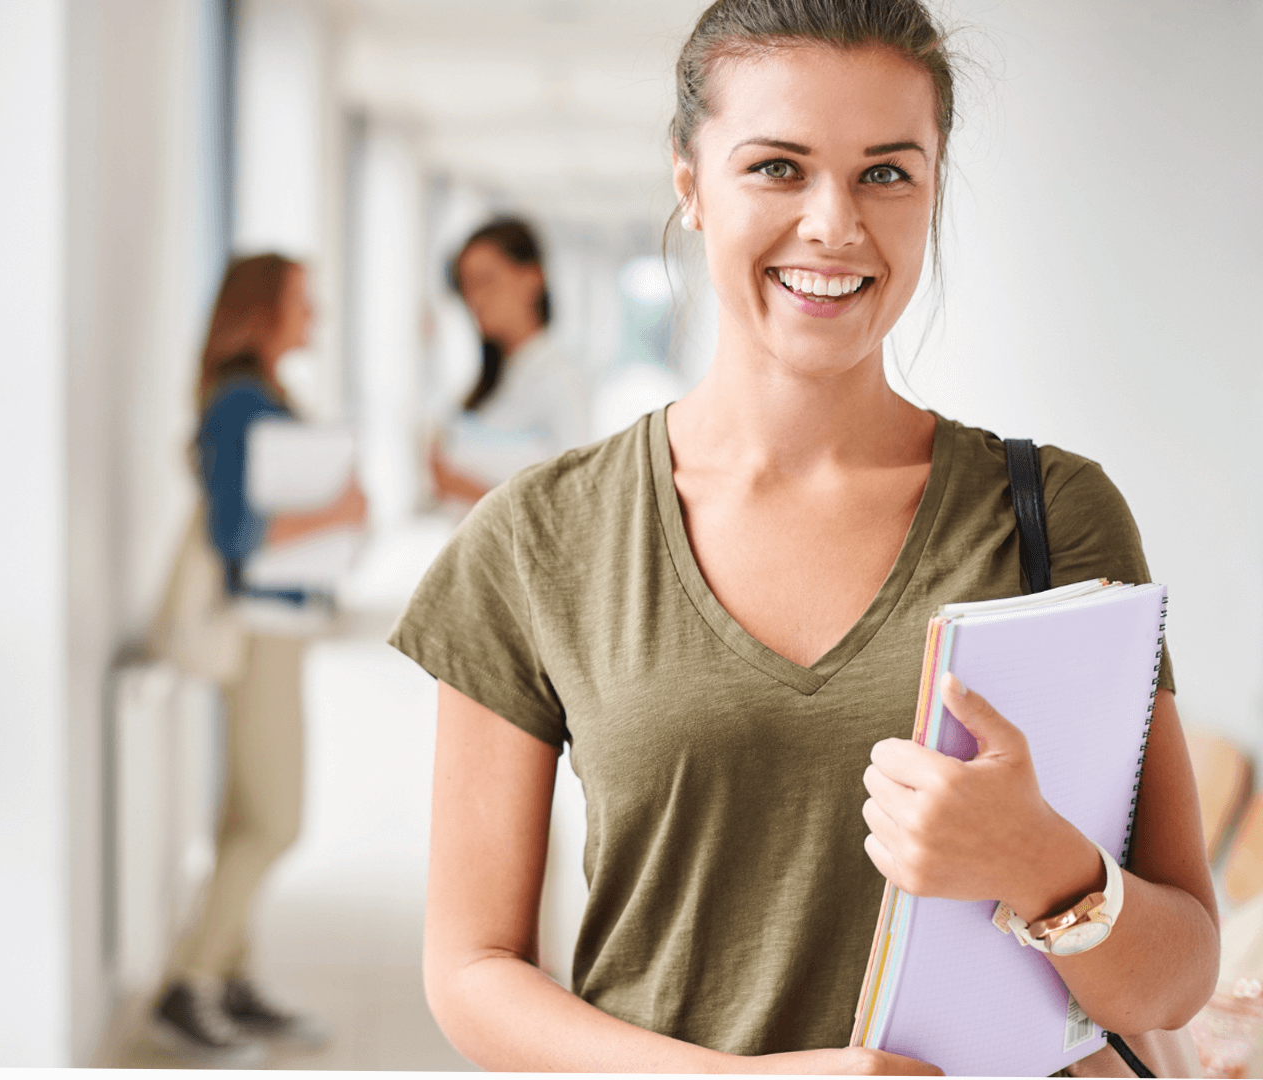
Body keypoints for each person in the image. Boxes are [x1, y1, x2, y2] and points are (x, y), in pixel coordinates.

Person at [389, 0, 1218, 1072]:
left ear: (931, 189)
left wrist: (1041, 862)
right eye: (776, 168)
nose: (833, 223)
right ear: (689, 184)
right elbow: (469, 971)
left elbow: (1177, 969)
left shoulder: (1053, 514)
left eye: (885, 172)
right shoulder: (538, 539)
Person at [152, 254, 367, 1059]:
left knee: (247, 812)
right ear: (263, 311)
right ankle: (191, 982)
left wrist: (343, 518)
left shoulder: (266, 396)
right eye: (303, 302)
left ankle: (231, 981)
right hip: (258, 629)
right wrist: (335, 510)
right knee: (276, 820)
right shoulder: (243, 401)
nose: (315, 315)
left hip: (281, 624)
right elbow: (236, 535)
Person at [429, 217, 588, 508]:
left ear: (532, 279)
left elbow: (570, 507)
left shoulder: (560, 380)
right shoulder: (488, 381)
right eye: (467, 286)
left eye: (486, 281)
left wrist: (461, 486)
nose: (475, 298)